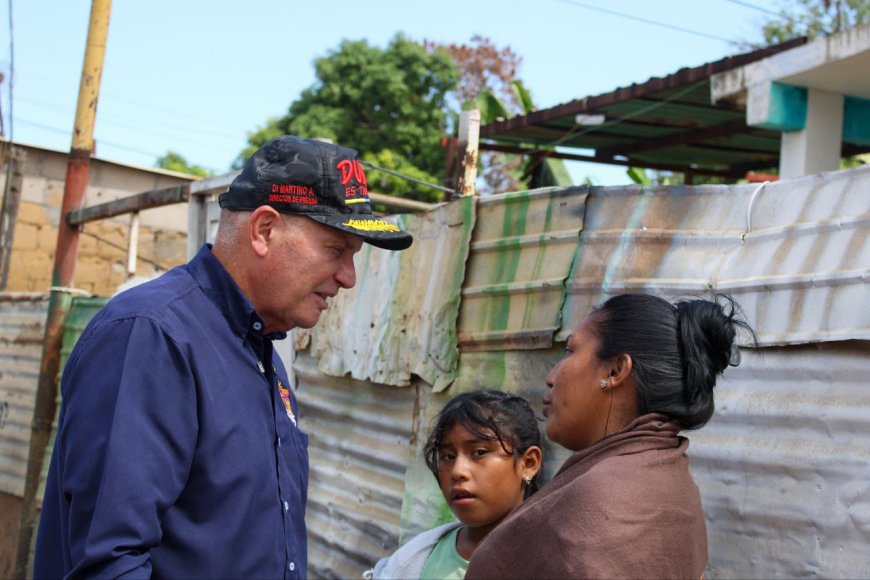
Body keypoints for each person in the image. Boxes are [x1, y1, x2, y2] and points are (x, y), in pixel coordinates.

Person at [34, 135, 413, 579]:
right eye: (336, 250)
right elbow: (110, 563)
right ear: (264, 230)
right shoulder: (152, 336)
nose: (348, 278)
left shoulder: (260, 352)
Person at [466, 293, 754, 580]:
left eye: (569, 351)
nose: (550, 377)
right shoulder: (674, 480)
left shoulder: (597, 500)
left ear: (615, 371)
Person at [368, 390, 543, 580]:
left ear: (528, 464)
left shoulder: (551, 559)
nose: (457, 471)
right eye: (448, 457)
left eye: (479, 452)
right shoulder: (412, 560)